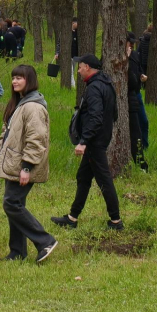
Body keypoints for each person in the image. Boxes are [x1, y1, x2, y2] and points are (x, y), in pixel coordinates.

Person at [52, 55, 122, 231]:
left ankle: (116, 221)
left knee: (104, 179)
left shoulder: (94, 88)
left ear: (89, 67)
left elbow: (95, 117)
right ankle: (72, 218)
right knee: (83, 177)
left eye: (80, 67)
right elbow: (114, 113)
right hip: (100, 139)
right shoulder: (107, 84)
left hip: (94, 142)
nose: (79, 70)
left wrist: (84, 141)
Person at [0, 64, 57, 263]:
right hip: (13, 163)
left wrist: (27, 167)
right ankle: (17, 252)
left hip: (23, 165)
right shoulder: (19, 104)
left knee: (11, 203)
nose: (14, 81)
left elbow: (36, 139)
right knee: (16, 203)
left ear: (29, 80)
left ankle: (45, 241)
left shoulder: (33, 106)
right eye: (13, 78)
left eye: (19, 78)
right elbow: (6, 134)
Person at [126, 35, 148, 171]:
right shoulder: (117, 55)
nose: (132, 45)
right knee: (133, 128)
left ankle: (144, 146)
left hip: (136, 94)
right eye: (130, 43)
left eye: (134, 43)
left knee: (143, 122)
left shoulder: (134, 54)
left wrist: (141, 75)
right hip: (127, 95)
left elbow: (138, 69)